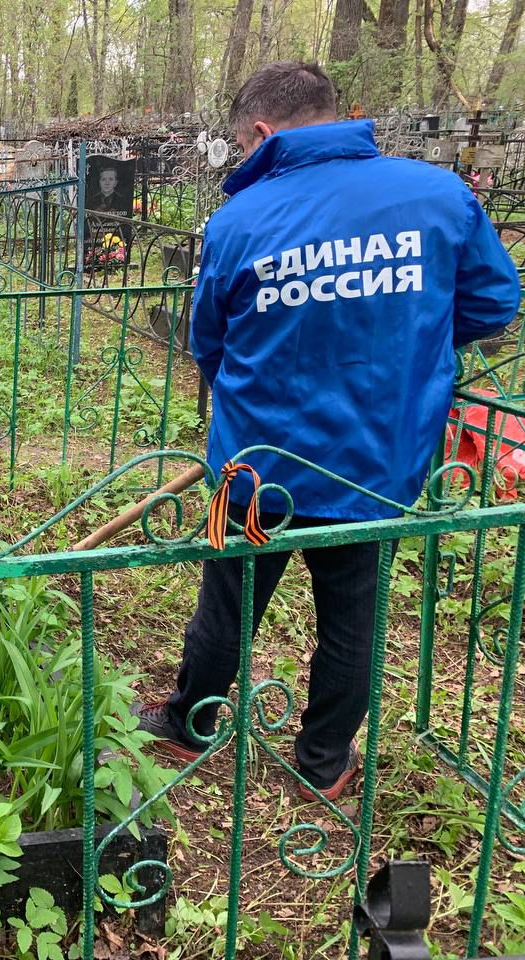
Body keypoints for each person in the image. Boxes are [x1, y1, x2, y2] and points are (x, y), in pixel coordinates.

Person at [133, 62, 520, 801]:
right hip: (377, 460)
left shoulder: (241, 220)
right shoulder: (439, 196)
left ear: (261, 132)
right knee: (353, 618)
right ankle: (322, 764)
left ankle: (194, 720)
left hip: (257, 467)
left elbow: (207, 341)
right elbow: (494, 303)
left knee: (227, 601)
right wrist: (410, 344)